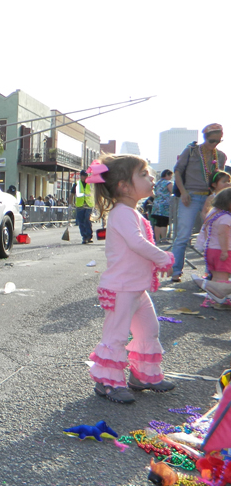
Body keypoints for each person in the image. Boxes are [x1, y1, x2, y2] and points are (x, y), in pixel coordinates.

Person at [86, 154, 175, 404]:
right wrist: (163, 257)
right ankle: (107, 383)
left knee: (149, 330)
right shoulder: (122, 213)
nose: (151, 178)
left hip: (136, 288)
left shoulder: (132, 212)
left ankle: (144, 375)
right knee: (116, 336)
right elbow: (137, 243)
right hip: (122, 288)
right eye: (144, 174)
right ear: (124, 186)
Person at [171, 123, 227, 282]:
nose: (214, 144)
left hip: (211, 198)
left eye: (218, 141)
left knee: (215, 235)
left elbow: (219, 179)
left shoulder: (221, 156)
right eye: (212, 141)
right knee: (183, 235)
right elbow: (178, 171)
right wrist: (183, 192)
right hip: (191, 196)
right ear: (205, 138)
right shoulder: (191, 151)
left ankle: (212, 273)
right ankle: (176, 271)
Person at [193, 188, 231, 306]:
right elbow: (222, 234)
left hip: (211, 250)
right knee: (222, 277)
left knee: (215, 277)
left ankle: (211, 298)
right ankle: (220, 298)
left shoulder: (213, 214)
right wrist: (224, 251)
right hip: (222, 251)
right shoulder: (226, 218)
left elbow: (205, 231)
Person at [71, 169, 94, 244]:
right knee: (81, 222)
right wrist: (70, 204)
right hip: (80, 206)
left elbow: (94, 193)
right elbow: (72, 194)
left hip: (88, 205)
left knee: (87, 220)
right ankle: (84, 237)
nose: (85, 177)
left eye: (86, 175)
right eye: (84, 175)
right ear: (81, 176)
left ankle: (89, 236)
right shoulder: (77, 184)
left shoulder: (90, 184)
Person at [150, 169, 173, 243]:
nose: (171, 177)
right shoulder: (168, 183)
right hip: (165, 205)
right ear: (167, 175)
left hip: (156, 204)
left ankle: (157, 239)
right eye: (170, 176)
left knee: (158, 222)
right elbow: (172, 192)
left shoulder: (157, 183)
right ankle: (164, 239)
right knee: (164, 222)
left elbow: (153, 193)